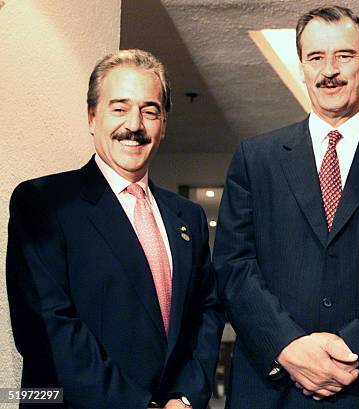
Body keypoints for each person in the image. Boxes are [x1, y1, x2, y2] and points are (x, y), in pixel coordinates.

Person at [213, 5, 359, 408]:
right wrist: (288, 346)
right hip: (276, 388)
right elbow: (233, 266)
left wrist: (355, 351)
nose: (329, 70)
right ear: (302, 68)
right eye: (315, 58)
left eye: (344, 55)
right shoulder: (256, 158)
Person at [6, 49, 223, 409]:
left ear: (163, 124)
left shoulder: (189, 218)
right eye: (119, 108)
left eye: (149, 110)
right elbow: (47, 329)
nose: (134, 125)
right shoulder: (43, 203)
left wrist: (184, 398)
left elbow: (206, 313)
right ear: (92, 116)